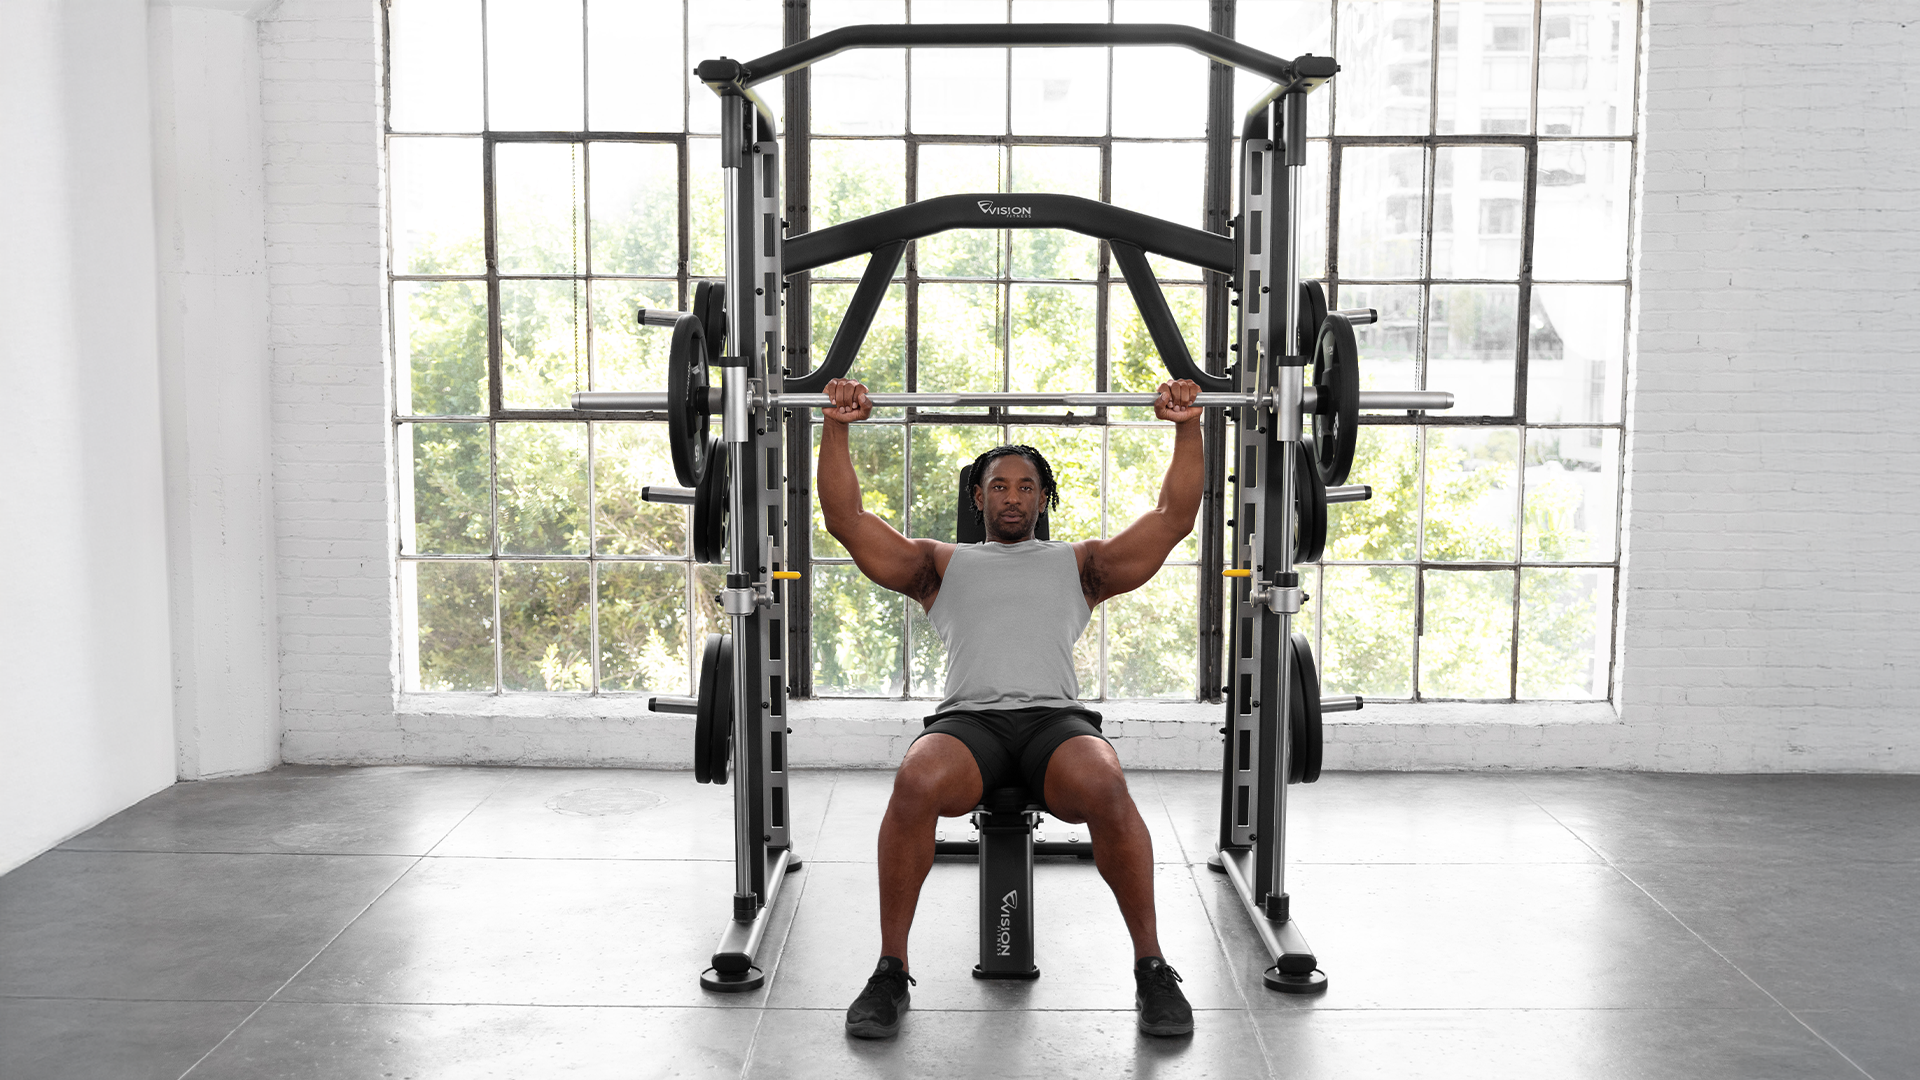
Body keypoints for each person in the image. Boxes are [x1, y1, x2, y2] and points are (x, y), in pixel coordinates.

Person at [816, 375, 1205, 1039]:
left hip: (1055, 724)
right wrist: (838, 425)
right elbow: (846, 521)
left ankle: (1152, 969)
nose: (1013, 497)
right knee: (914, 780)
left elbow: (1174, 518)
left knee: (1108, 785)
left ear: (1045, 498)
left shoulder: (1079, 563)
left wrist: (1187, 424)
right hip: (969, 727)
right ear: (978, 496)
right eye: (1000, 485)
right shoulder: (940, 564)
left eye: (1027, 486)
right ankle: (890, 970)